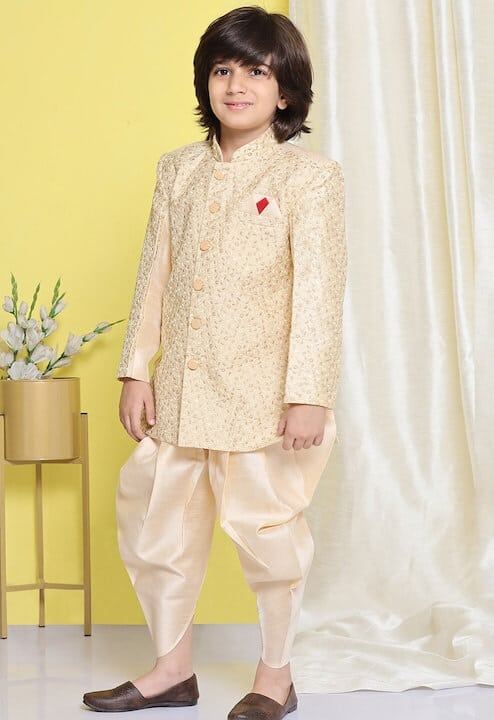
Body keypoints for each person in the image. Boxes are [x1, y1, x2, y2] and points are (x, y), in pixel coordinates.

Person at [83, 6, 347, 719]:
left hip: (263, 396)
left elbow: (320, 292)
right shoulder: (179, 169)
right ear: (205, 81)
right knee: (157, 529)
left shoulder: (309, 178)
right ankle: (172, 670)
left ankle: (275, 676)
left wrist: (309, 393)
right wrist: (136, 369)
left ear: (285, 90)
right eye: (222, 69)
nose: (236, 85)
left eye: (256, 71)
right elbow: (155, 275)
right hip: (179, 390)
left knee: (269, 538)